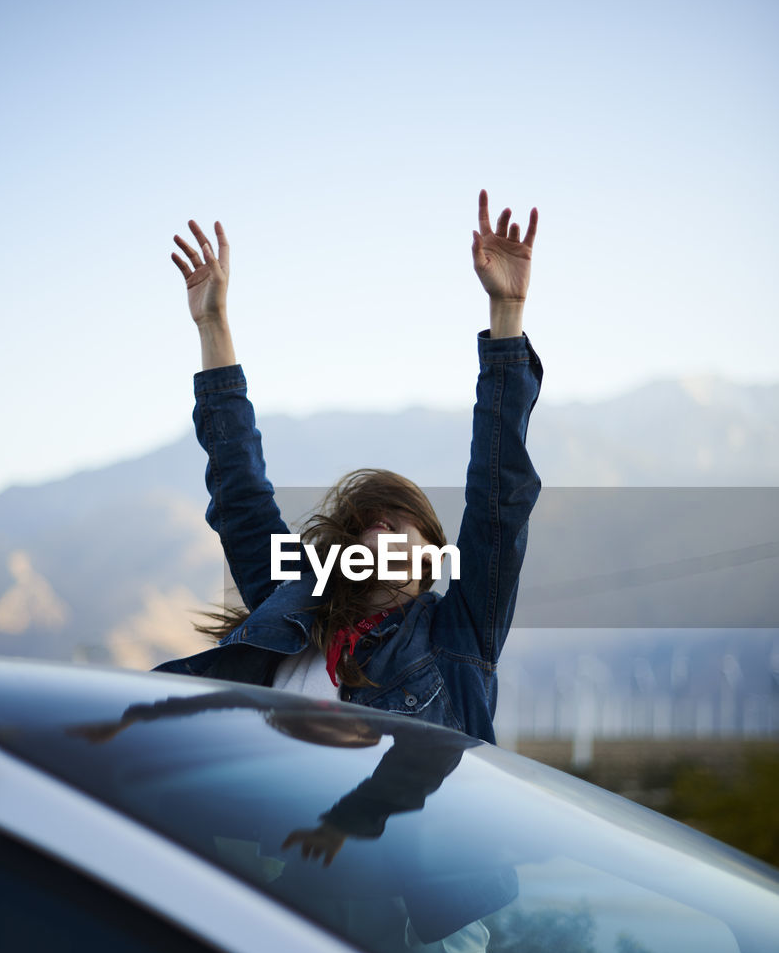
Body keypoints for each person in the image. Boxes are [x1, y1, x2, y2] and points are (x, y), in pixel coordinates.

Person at [157, 190, 543, 748]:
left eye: (398, 519)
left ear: (437, 557)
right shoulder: (292, 602)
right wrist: (213, 322)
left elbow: (499, 498)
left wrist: (506, 316)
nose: (379, 523)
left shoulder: (457, 634)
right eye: (368, 519)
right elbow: (240, 492)